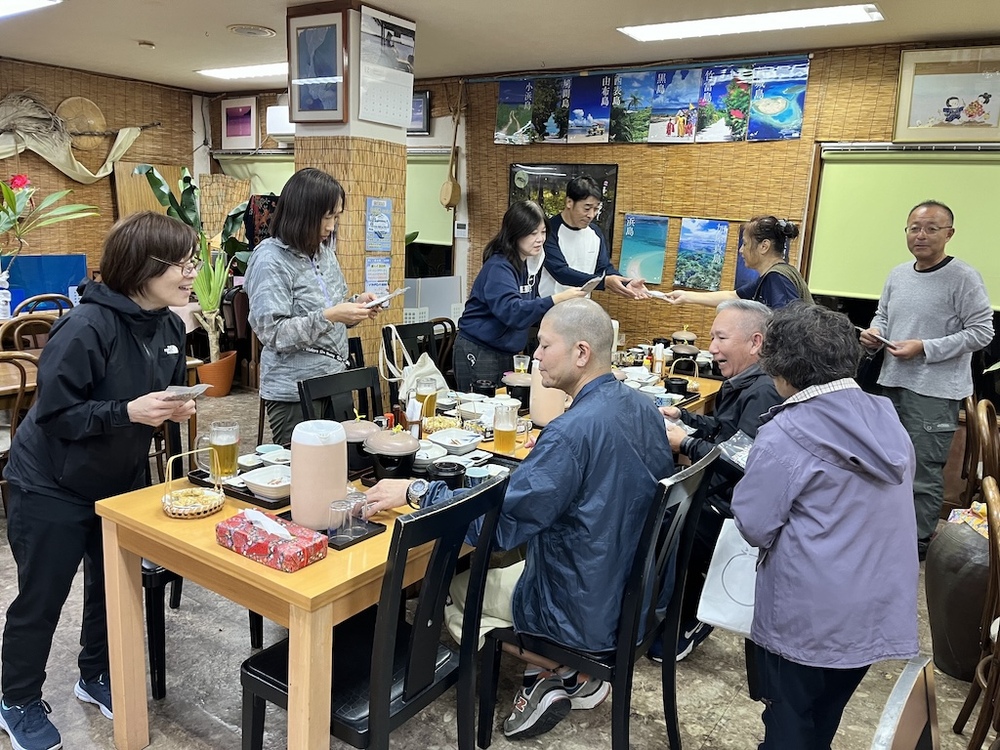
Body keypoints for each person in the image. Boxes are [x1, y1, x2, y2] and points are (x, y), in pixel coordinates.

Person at [363, 299, 674, 740]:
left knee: (452, 591)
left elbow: (494, 528)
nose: (536, 356)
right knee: (509, 561)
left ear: (581, 353)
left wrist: (416, 491)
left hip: (581, 607)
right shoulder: (642, 408)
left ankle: (560, 670)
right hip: (629, 591)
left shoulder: (571, 433)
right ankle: (568, 673)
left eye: (544, 345)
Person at [0, 211, 199, 750]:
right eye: (181, 264)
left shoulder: (170, 326)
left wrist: (173, 408)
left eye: (191, 262)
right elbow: (54, 415)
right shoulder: (86, 327)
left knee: (111, 586)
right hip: (50, 482)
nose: (191, 273)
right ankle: (17, 699)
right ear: (143, 267)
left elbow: (161, 395)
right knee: (42, 596)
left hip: (118, 479)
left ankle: (95, 674)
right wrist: (127, 412)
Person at [732, 303, 919, 750]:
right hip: (878, 607)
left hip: (811, 615)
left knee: (788, 720)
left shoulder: (788, 430)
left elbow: (754, 525)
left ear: (780, 367)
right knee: (824, 714)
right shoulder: (885, 416)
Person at [860, 200, 993, 560]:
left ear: (949, 234)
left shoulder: (963, 277)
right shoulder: (898, 274)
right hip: (891, 383)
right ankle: (885, 531)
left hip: (934, 391)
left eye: (932, 228)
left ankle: (916, 542)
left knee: (922, 470)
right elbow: (883, 315)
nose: (921, 235)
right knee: (886, 462)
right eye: (914, 228)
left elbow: (982, 332)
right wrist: (876, 332)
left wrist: (925, 348)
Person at [653, 299, 781, 662]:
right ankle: (664, 606)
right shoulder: (744, 381)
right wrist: (685, 418)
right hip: (717, 489)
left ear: (755, 342)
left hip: (733, 507)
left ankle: (692, 616)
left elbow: (741, 461)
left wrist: (685, 443)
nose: (711, 348)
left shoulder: (764, 391)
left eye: (720, 338)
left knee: (667, 522)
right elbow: (728, 432)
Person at [245, 168, 380, 444]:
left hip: (334, 380)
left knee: (340, 461)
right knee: (303, 466)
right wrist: (330, 316)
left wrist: (356, 307)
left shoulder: (324, 253)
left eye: (336, 217)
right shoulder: (270, 260)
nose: (331, 227)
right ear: (302, 214)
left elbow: (334, 309)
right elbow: (273, 333)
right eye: (326, 217)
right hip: (294, 390)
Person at [454, 200, 585, 390]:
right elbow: (513, 312)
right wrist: (558, 298)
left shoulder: (525, 265)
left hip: (506, 351)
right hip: (480, 349)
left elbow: (530, 308)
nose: (540, 239)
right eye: (533, 233)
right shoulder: (499, 267)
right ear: (515, 233)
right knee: (483, 407)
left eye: (543, 232)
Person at [665, 215, 812, 310]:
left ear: (764, 246)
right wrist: (686, 296)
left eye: (745, 244)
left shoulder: (777, 278)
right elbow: (734, 297)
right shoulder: (772, 276)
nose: (741, 250)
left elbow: (791, 328)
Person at [538, 175, 650, 300]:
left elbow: (604, 268)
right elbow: (560, 272)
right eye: (587, 208)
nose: (591, 215)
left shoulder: (595, 232)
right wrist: (604, 281)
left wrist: (626, 283)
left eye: (596, 209)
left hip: (582, 304)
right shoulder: (548, 231)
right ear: (569, 202)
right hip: (550, 304)